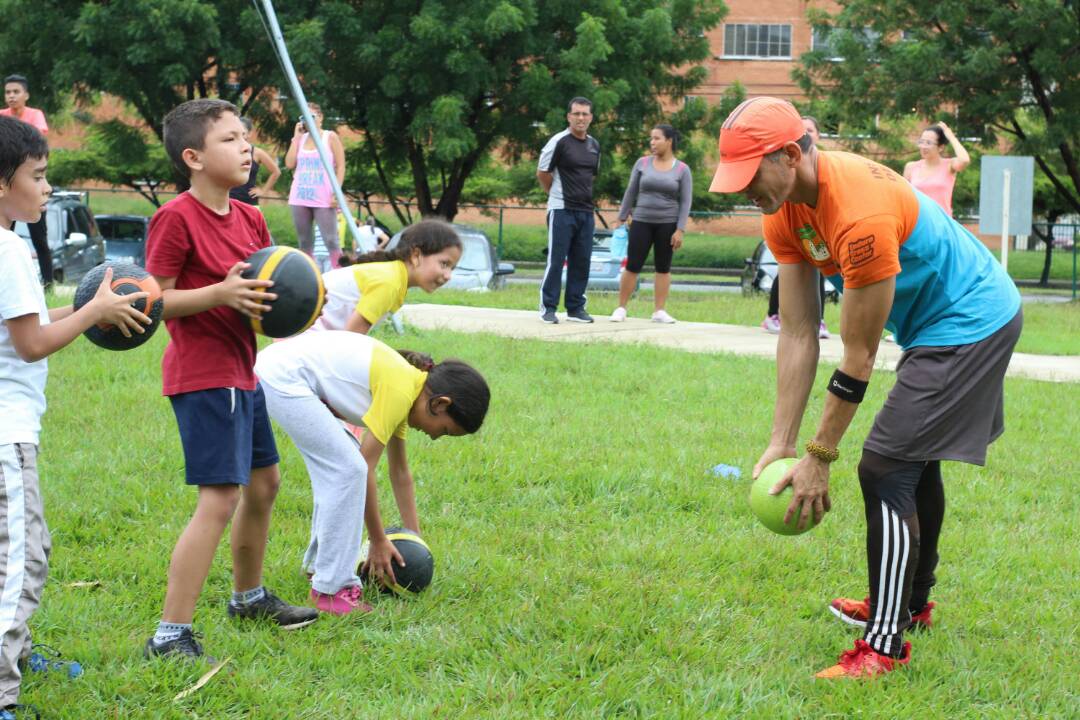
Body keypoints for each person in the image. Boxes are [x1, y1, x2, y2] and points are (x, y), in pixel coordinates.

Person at [709, 97, 1021, 678]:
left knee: (883, 466)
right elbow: (799, 333)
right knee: (911, 463)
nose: (742, 191)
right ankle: (910, 606)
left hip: (973, 320)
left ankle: (884, 642)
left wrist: (820, 455)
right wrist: (782, 442)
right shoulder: (783, 211)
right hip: (933, 327)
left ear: (790, 154)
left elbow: (858, 354)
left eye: (751, 175)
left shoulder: (859, 211)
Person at [144, 99, 319, 662]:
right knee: (219, 499)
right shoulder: (175, 217)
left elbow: (261, 303)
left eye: (246, 137)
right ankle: (170, 633)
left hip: (244, 372)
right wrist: (218, 294)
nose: (246, 147)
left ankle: (248, 597)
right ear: (193, 157)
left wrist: (293, 308)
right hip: (202, 375)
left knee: (264, 484)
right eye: (230, 139)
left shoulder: (250, 218)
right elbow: (152, 301)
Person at [0, 115, 151, 717]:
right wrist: (93, 315)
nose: (45, 188)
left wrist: (90, 303)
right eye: (37, 177)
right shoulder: (9, 249)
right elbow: (33, 344)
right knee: (21, 559)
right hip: (6, 434)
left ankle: (16, 648)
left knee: (27, 545)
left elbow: (25, 320)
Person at [255, 332, 490, 615]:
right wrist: (378, 540)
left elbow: (400, 473)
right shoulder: (402, 390)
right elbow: (364, 469)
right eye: (444, 430)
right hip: (283, 377)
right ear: (440, 404)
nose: (435, 437)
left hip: (279, 371)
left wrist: (415, 539)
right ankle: (332, 590)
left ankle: (321, 568)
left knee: (343, 469)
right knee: (349, 470)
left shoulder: (409, 390)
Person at [315, 219, 461, 334]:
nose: (449, 276)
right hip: (302, 333)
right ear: (416, 255)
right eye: (444, 264)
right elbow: (351, 340)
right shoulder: (390, 282)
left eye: (452, 268)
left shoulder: (394, 277)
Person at [611, 124, 692, 324]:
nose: (652, 142)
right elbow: (631, 192)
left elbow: (685, 201)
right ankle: (621, 308)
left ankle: (659, 311)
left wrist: (680, 229)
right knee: (632, 265)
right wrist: (621, 217)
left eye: (657, 138)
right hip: (641, 221)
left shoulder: (682, 169)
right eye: (651, 138)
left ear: (669, 141)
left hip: (667, 224)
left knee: (663, 267)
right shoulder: (642, 163)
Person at [762, 116, 830, 339]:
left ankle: (817, 319)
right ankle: (774, 315)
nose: (807, 133)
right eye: (802, 130)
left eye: (811, 129)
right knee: (789, 267)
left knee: (818, 267)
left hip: (818, 227)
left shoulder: (825, 164)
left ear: (818, 136)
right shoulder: (787, 161)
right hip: (795, 226)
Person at [536, 96, 601, 324]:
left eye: (585, 114)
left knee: (581, 260)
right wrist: (555, 196)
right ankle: (548, 307)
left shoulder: (594, 145)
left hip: (585, 211)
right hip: (561, 210)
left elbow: (590, 176)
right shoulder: (559, 141)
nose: (581, 118)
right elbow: (543, 173)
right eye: (577, 114)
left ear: (591, 118)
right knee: (556, 260)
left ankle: (575, 308)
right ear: (569, 116)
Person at [1, 75, 51, 289]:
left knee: (40, 240)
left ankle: (48, 282)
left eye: (16, 92)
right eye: (8, 92)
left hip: (24, 188)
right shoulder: (3, 116)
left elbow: (35, 142)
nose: (11, 96)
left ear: (26, 95)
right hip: (12, 185)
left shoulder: (35, 115)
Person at [285, 102, 346, 269]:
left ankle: (339, 275)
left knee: (331, 240)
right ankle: (309, 278)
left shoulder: (329, 136)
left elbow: (340, 166)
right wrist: (296, 137)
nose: (307, 120)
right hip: (300, 196)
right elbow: (289, 164)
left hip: (323, 196)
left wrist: (336, 192)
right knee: (304, 242)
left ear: (320, 118)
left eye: (311, 116)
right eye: (303, 117)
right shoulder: (301, 138)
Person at [903, 122, 970, 217]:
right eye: (921, 142)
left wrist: (951, 137)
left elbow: (964, 160)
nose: (923, 146)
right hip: (917, 223)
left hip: (942, 224)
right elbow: (904, 198)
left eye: (928, 143)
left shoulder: (949, 165)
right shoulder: (911, 167)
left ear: (941, 147)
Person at [229, 117, 282, 209]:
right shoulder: (227, 151)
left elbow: (276, 172)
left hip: (249, 202)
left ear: (249, 134)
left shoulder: (257, 153)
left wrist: (263, 191)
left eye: (243, 133)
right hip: (228, 201)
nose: (239, 136)